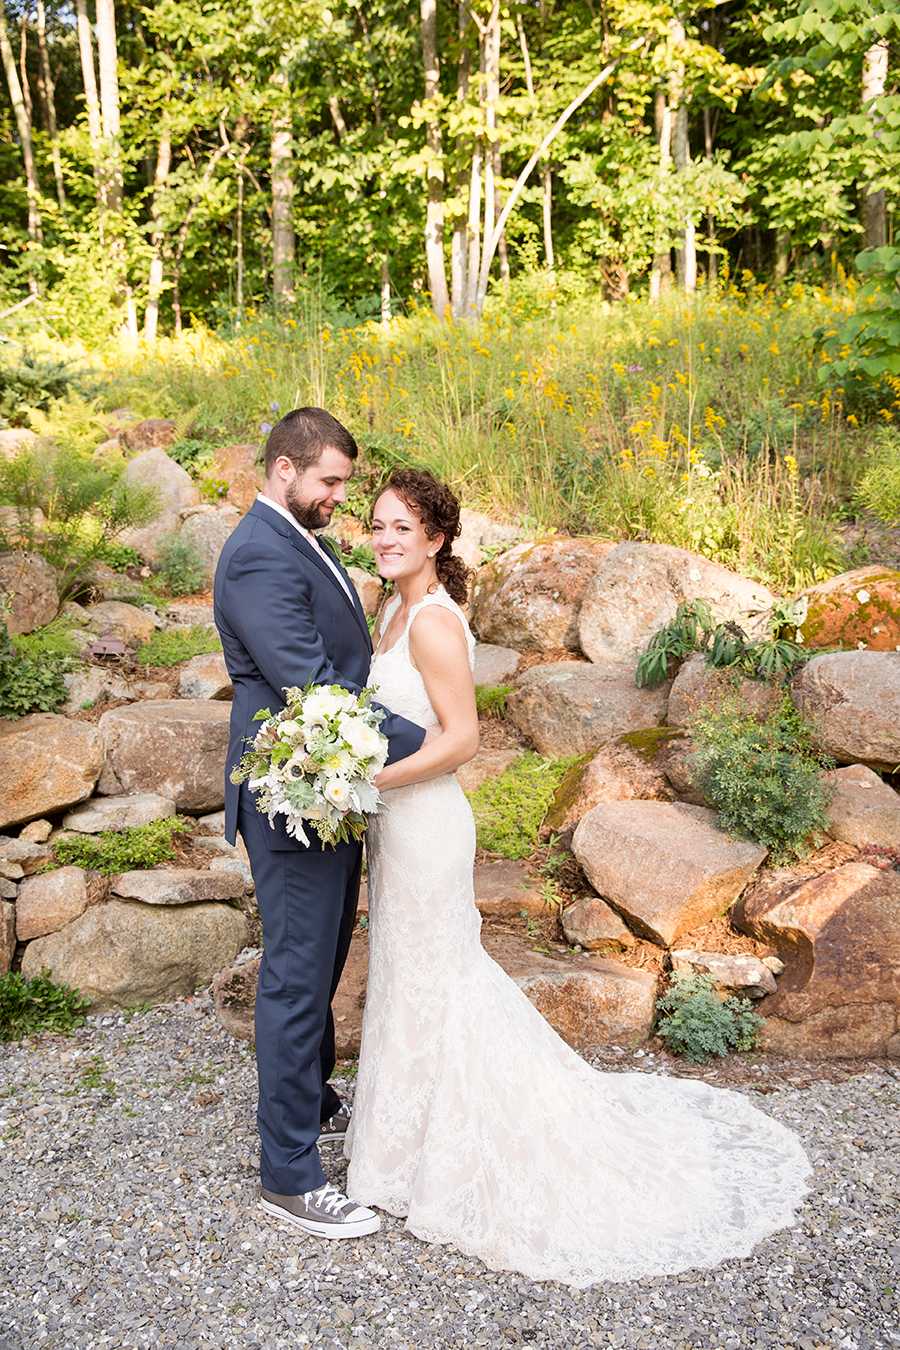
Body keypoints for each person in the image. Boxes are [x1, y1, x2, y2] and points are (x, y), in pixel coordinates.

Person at [344, 467, 811, 1287]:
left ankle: (451, 1151)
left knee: (438, 978)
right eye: (377, 525)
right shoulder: (390, 608)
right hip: (399, 829)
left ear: (437, 540)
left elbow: (460, 743)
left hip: (425, 825)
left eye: (400, 528)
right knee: (412, 976)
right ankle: (403, 1149)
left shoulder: (435, 626)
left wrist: (361, 784)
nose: (384, 539)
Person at [214, 408, 428, 1240]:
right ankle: (290, 1176)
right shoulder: (259, 557)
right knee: (298, 973)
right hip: (293, 798)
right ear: (283, 470)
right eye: (330, 481)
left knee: (327, 954)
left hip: (328, 790)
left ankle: (312, 1095)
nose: (341, 497)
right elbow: (314, 687)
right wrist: (441, 745)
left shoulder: (299, 536)